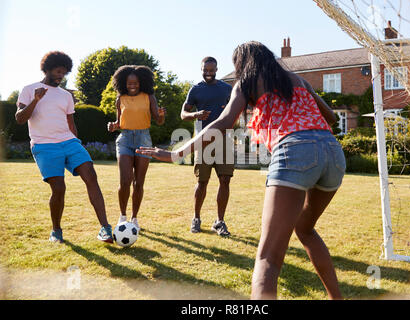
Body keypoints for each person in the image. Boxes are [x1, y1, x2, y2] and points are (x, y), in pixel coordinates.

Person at [137, 41, 345, 300]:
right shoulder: (298, 80)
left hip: (294, 149)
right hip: (333, 153)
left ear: (241, 63)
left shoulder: (247, 81)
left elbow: (223, 121)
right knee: (305, 229)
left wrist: (175, 153)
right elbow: (332, 118)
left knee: (268, 258)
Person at [15, 51, 113, 243]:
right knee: (59, 188)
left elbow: (71, 122)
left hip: (69, 142)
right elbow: (19, 119)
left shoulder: (66, 96)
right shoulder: (29, 89)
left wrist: (77, 143)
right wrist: (36, 100)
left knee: (91, 176)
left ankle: (105, 228)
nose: (61, 76)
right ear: (48, 69)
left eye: (64, 72)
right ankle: (56, 231)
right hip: (44, 145)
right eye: (58, 71)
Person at [107, 65, 165, 231]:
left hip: (143, 139)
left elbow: (158, 120)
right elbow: (119, 122)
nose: (132, 85)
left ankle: (134, 218)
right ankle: (122, 216)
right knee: (125, 181)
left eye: (136, 83)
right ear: (123, 83)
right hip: (125, 139)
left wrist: (161, 115)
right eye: (129, 83)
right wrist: (113, 126)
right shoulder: (120, 99)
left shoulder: (149, 97)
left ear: (142, 83)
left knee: (138, 183)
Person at [180, 57, 233, 236]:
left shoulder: (227, 88)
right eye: (205, 70)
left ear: (217, 69)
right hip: (203, 140)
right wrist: (196, 114)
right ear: (201, 68)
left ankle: (220, 222)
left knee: (225, 179)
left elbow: (238, 109)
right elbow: (183, 114)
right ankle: (196, 218)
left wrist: (230, 110)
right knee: (202, 181)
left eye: (211, 70)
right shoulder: (196, 89)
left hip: (225, 138)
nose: (208, 73)